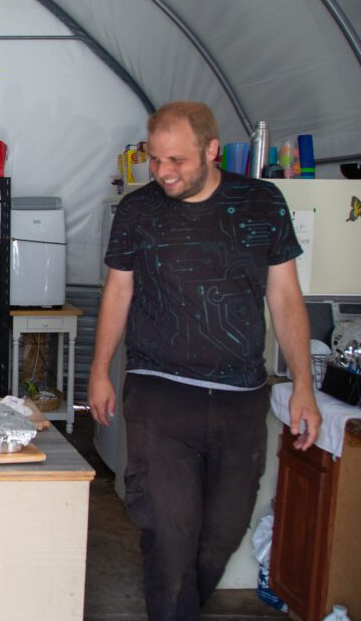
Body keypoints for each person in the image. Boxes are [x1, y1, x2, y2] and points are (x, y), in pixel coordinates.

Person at [88, 101, 321, 620]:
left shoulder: (262, 203)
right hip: (159, 394)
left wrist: (303, 383)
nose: (164, 173)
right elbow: (118, 291)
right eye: (156, 161)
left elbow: (284, 297)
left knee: (222, 533)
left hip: (241, 399)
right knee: (170, 535)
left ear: (212, 151)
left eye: (177, 161)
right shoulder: (138, 211)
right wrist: (99, 371)